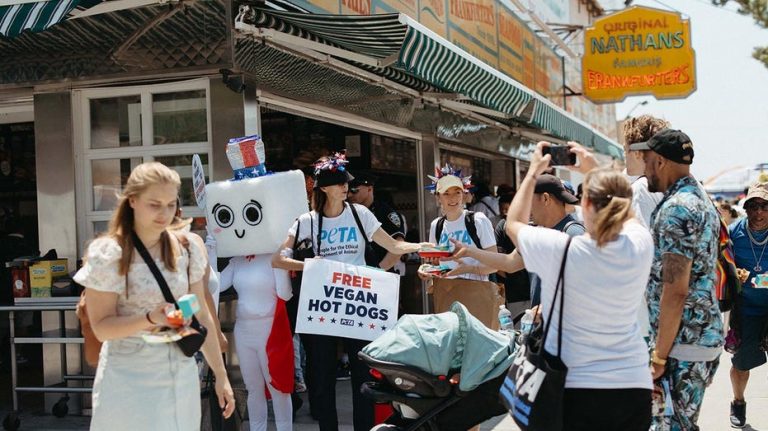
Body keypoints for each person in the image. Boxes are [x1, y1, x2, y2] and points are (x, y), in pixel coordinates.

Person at [452, 143, 654, 430]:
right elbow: (628, 209)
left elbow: (513, 224)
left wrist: (533, 171)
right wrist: (593, 168)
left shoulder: (562, 248)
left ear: (584, 206)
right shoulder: (639, 244)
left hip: (578, 387)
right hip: (633, 385)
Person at [73, 162, 235, 430]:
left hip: (179, 370)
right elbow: (101, 328)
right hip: (127, 373)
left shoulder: (187, 247)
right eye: (155, 204)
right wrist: (149, 317)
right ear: (133, 200)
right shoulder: (108, 253)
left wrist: (221, 374)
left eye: (171, 204)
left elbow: (200, 313)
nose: (164, 213)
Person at [271, 153, 424, 431]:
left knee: (363, 375)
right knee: (323, 376)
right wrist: (309, 265)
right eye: (340, 183)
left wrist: (421, 247)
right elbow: (278, 259)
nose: (346, 187)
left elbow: (394, 246)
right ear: (325, 188)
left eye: (346, 183)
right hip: (323, 306)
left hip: (357, 304)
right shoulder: (307, 220)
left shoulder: (360, 214)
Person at [629, 129, 724, 431]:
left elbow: (675, 291)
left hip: (682, 344)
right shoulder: (697, 197)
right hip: (692, 340)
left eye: (645, 162)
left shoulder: (677, 210)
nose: (644, 172)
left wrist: (659, 356)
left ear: (659, 161)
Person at [727, 180, 768, 428]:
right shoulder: (734, 232)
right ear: (746, 208)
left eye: (765, 206)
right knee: (741, 363)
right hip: (747, 310)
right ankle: (738, 403)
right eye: (754, 206)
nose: (759, 212)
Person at [418, 167, 497, 282]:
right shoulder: (436, 226)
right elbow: (435, 264)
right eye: (446, 193)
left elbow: (495, 265)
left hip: (475, 294)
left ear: (463, 194)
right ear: (438, 197)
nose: (453, 198)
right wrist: (426, 270)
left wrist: (468, 269)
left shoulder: (478, 220)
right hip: (447, 294)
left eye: (457, 192)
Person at [347, 172, 407, 273]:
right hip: (353, 275)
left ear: (369, 189)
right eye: (348, 190)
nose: (349, 194)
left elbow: (398, 246)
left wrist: (378, 271)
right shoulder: (346, 212)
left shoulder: (386, 213)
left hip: (380, 275)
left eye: (354, 191)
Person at [622, 115, 667, 228]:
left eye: (625, 150)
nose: (624, 156)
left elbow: (643, 243)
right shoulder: (680, 182)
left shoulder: (641, 189)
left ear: (637, 153)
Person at [494, 193, 530, 318]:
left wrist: (511, 276)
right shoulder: (503, 226)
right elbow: (499, 266)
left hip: (517, 293)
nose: (504, 212)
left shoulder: (503, 225)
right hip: (517, 295)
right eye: (502, 209)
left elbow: (499, 265)